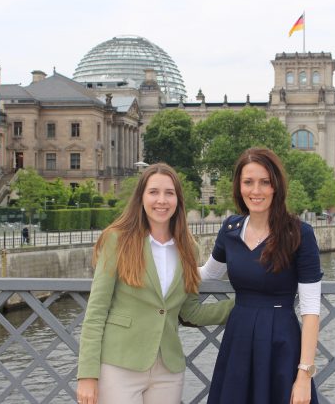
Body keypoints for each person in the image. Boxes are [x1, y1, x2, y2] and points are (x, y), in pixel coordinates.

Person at [77, 163, 234, 404]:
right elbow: (96, 311)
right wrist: (87, 375)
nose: (162, 200)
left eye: (169, 193)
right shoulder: (117, 239)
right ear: (141, 197)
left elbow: (190, 310)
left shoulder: (188, 248)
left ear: (178, 200)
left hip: (167, 370)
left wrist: (242, 304)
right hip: (120, 364)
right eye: (154, 192)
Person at [200, 147, 323, 404]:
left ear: (276, 186)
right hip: (239, 339)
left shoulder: (299, 234)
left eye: (264, 182)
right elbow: (206, 274)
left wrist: (304, 375)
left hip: (280, 342)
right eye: (248, 182)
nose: (256, 191)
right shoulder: (230, 230)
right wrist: (158, 265)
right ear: (239, 186)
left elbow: (311, 309)